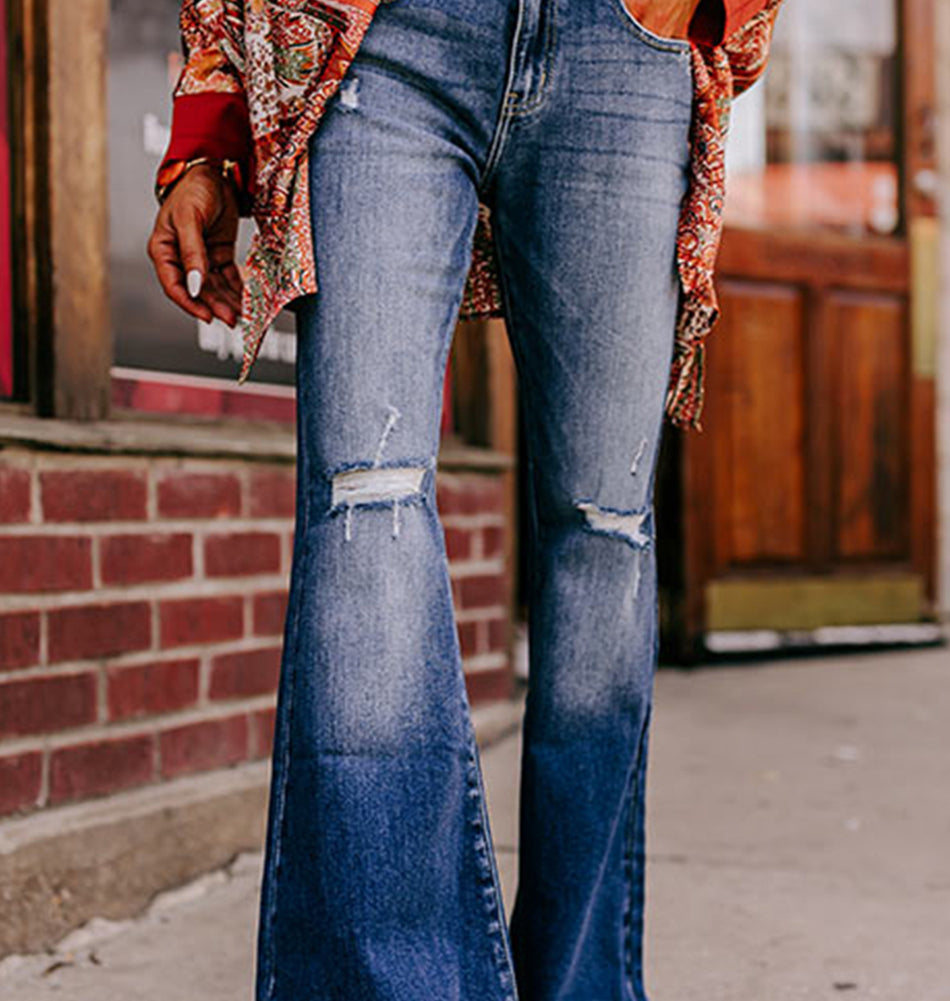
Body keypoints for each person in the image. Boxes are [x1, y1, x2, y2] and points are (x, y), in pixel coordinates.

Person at [147, 1, 783, 998]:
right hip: (388, 43)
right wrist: (207, 134)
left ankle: (582, 983)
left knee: (603, 529)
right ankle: (390, 982)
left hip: (624, 49)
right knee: (366, 501)